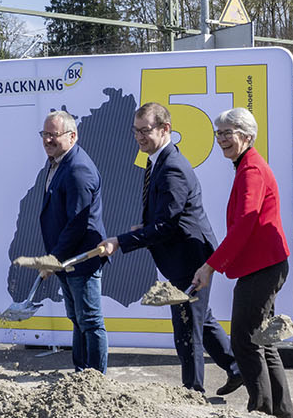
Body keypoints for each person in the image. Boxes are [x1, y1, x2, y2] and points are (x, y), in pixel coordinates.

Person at [97, 102, 242, 396]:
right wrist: (144, 226)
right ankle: (237, 369)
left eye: (145, 130)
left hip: (191, 259)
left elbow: (168, 225)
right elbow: (165, 217)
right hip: (183, 256)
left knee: (188, 328)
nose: (139, 137)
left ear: (166, 129)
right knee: (203, 319)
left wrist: (120, 241)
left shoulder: (172, 167)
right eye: (136, 131)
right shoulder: (158, 161)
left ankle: (193, 394)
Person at [192, 107, 293, 418]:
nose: (221, 139)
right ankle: (281, 412)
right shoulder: (247, 165)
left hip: (263, 266)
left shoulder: (250, 170)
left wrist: (210, 266)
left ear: (247, 137)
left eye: (228, 133)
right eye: (218, 133)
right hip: (265, 264)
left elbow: (246, 222)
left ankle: (261, 410)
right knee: (262, 340)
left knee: (245, 340)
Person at [39, 110, 108, 373]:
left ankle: (96, 381)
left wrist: (53, 259)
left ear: (72, 135)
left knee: (90, 321)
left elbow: (77, 224)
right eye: (44, 134)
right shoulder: (59, 161)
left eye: (53, 135)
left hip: (82, 259)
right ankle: (82, 372)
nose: (47, 140)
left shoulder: (78, 169)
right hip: (67, 260)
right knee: (78, 320)